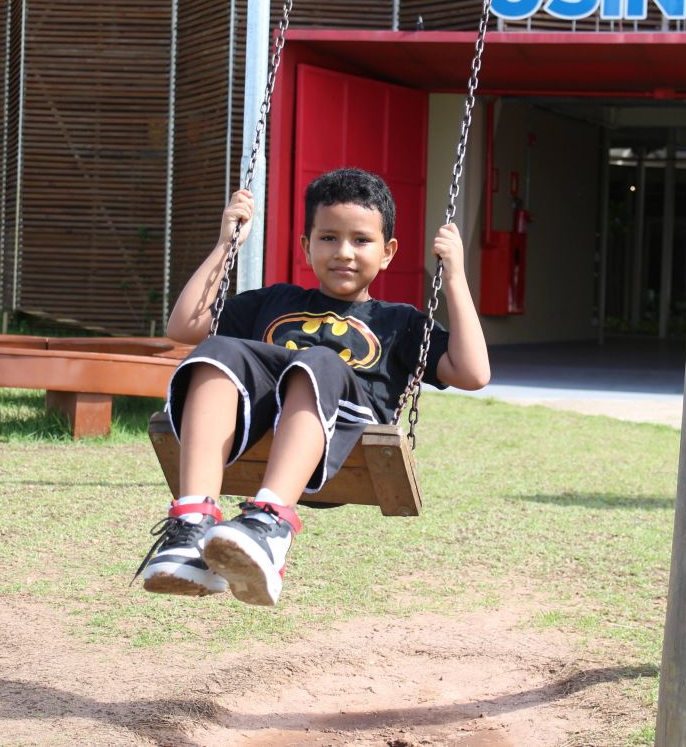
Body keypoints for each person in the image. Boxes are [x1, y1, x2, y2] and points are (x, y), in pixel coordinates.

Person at [135, 167, 491, 606]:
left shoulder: (399, 322)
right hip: (268, 428)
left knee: (317, 360)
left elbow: (473, 373)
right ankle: (193, 525)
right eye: (328, 237)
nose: (343, 252)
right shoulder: (272, 301)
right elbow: (184, 327)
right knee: (219, 350)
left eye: (361, 240)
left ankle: (270, 524)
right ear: (307, 246)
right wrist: (226, 245)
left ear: (387, 253)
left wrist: (454, 277)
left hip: (344, 437)